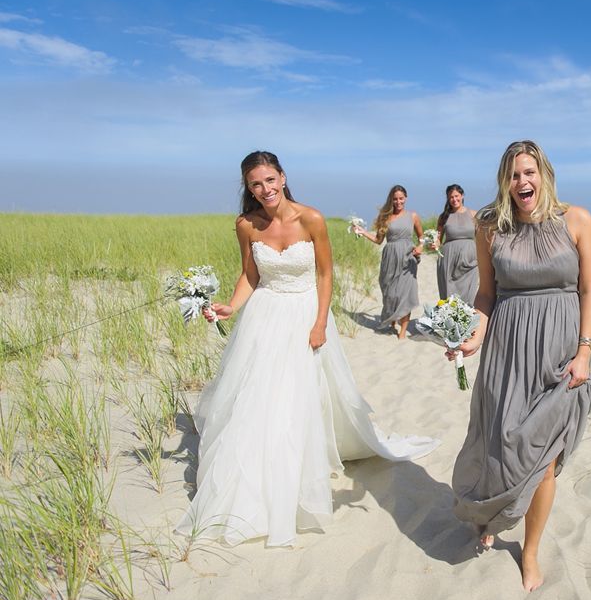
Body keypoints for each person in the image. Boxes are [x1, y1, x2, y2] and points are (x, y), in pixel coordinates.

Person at [176, 152, 438, 547]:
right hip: (263, 316)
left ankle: (298, 473)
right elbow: (251, 273)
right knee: (257, 396)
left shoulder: (311, 218)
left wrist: (319, 323)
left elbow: (324, 273)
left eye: (269, 180)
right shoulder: (246, 224)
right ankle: (250, 484)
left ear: (282, 177)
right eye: (254, 185)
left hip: (304, 313)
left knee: (298, 395)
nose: (264, 190)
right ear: (248, 189)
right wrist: (232, 305)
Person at [449, 140, 591, 592]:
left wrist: (584, 352)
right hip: (508, 352)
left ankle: (529, 552)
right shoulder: (490, 226)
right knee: (500, 444)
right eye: (514, 175)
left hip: (557, 355)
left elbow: (589, 289)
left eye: (529, 172)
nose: (522, 182)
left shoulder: (577, 219)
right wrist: (475, 333)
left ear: (544, 174)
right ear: (504, 181)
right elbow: (486, 294)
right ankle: (493, 512)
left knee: (544, 458)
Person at [354, 185, 423, 339]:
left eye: (401, 198)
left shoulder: (413, 216)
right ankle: (392, 321)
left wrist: (420, 247)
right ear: (391, 200)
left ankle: (403, 331)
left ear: (406, 198)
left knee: (406, 293)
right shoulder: (385, 217)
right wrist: (363, 232)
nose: (398, 201)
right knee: (390, 294)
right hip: (390, 259)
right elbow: (379, 240)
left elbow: (421, 237)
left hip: (408, 259)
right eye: (395, 199)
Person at [435, 184, 478, 304]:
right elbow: (438, 238)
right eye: (451, 197)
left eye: (456, 196)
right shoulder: (444, 217)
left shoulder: (474, 214)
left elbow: (481, 237)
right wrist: (435, 244)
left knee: (470, 296)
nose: (454, 199)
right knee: (449, 297)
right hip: (449, 260)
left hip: (470, 261)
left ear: (462, 196)